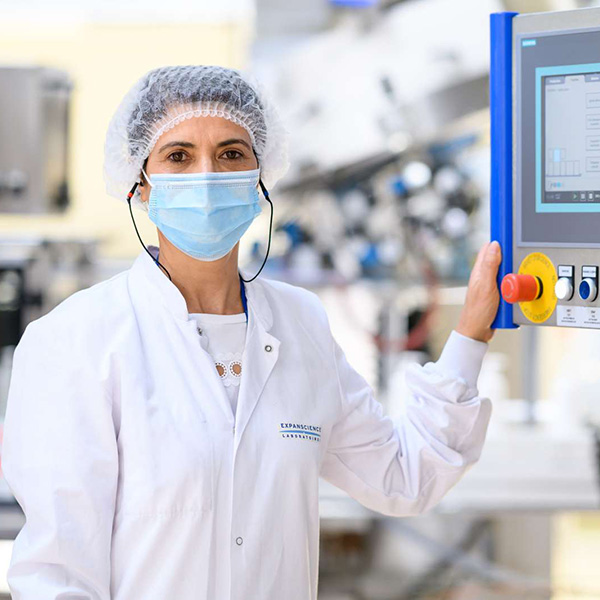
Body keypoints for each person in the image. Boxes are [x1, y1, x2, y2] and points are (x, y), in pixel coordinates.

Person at [2, 65, 501, 600]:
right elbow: (58, 578)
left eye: (231, 154)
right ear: (140, 185)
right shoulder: (78, 341)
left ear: (260, 176)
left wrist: (471, 330)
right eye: (178, 156)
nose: (208, 175)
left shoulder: (301, 324)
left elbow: (403, 477)